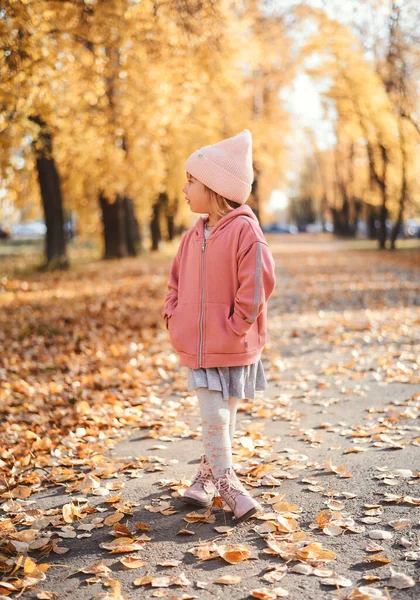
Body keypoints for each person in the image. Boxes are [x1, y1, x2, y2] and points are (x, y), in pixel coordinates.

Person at [162, 129, 276, 525]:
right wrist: (172, 314)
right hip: (198, 344)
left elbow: (258, 281)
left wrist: (238, 323)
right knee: (215, 416)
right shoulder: (192, 236)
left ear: (213, 188)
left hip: (231, 341)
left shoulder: (246, 230)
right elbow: (174, 282)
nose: (184, 189)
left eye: (191, 181)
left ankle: (212, 478)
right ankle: (224, 482)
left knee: (221, 416)